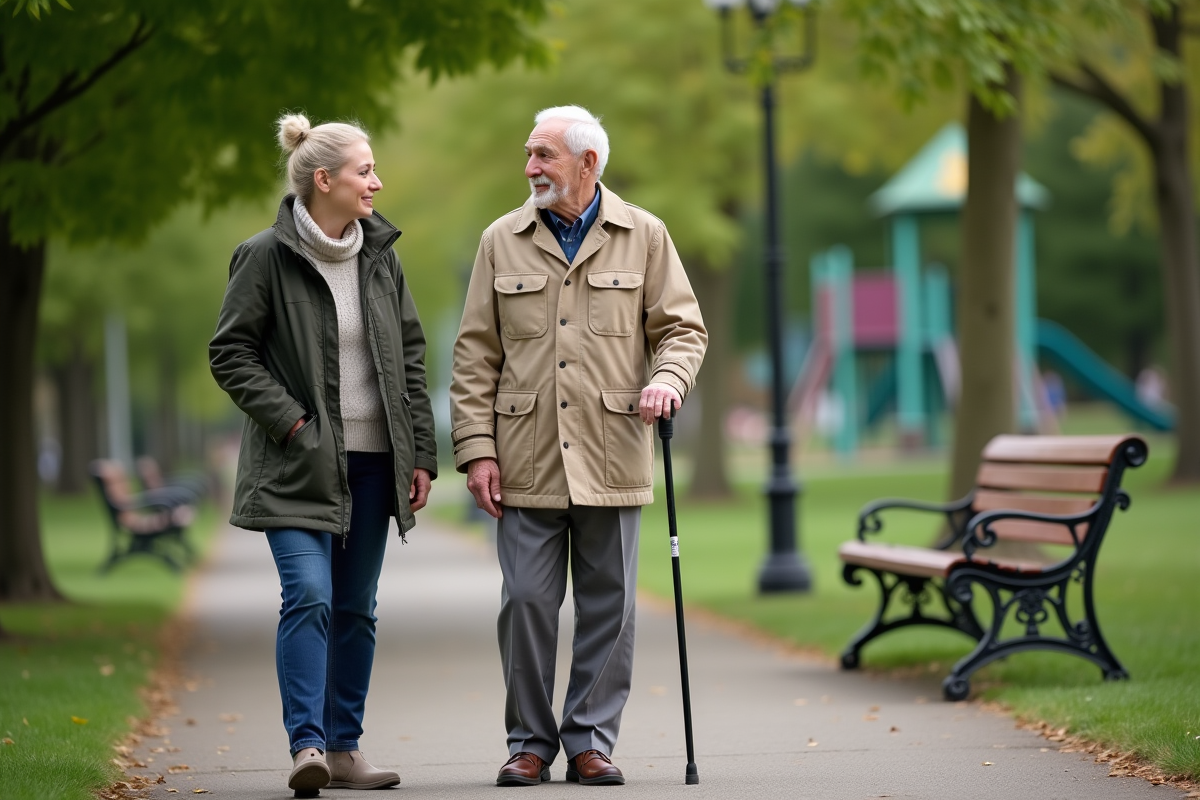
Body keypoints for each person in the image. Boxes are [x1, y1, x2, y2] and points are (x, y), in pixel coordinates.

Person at [449, 105, 707, 787]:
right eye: (528, 154)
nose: (530, 167)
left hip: (613, 448)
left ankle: (589, 739)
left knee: (610, 606)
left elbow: (683, 330)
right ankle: (529, 742)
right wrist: (477, 449)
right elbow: (475, 354)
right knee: (527, 601)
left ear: (587, 163)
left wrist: (668, 380)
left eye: (544, 155)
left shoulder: (645, 234)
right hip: (524, 454)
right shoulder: (500, 240)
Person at [209, 113, 437, 796]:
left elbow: (411, 357)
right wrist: (293, 422)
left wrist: (421, 452)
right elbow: (230, 353)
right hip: (296, 463)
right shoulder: (263, 257)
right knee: (309, 593)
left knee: (357, 606)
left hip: (374, 464)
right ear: (324, 179)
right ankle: (307, 745)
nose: (377, 181)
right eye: (366, 170)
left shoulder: (381, 257)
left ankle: (344, 750)